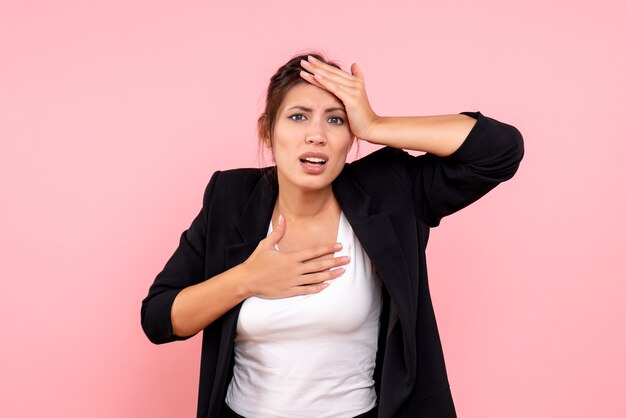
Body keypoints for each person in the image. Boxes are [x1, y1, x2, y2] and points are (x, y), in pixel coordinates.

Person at [141, 52, 524, 418]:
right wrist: (246, 279)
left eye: (336, 120)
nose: (316, 136)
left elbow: (500, 150)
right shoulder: (230, 197)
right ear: (267, 132)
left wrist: (375, 124)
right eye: (298, 117)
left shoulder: (389, 192)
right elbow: (158, 318)